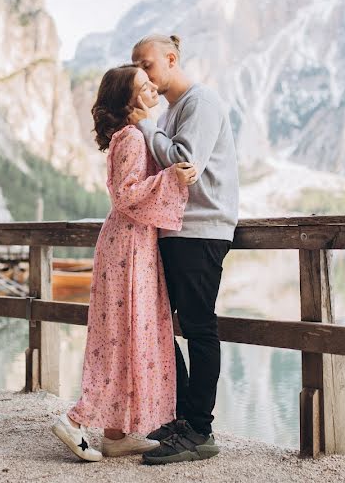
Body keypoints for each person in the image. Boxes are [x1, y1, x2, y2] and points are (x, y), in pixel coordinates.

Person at [51, 64, 198, 461]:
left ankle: (116, 435)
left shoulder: (130, 135)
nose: (152, 87)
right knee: (119, 339)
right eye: (143, 85)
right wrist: (173, 179)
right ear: (129, 99)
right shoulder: (132, 137)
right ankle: (75, 420)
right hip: (128, 248)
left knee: (124, 336)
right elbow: (127, 195)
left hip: (131, 244)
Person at [129, 34, 239, 464]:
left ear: (171, 59)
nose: (142, 72)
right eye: (135, 64)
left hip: (200, 230)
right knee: (159, 324)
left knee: (198, 328)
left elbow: (181, 161)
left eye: (148, 63)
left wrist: (144, 126)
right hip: (176, 230)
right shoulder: (174, 109)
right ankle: (182, 418)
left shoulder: (200, 103)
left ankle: (199, 430)